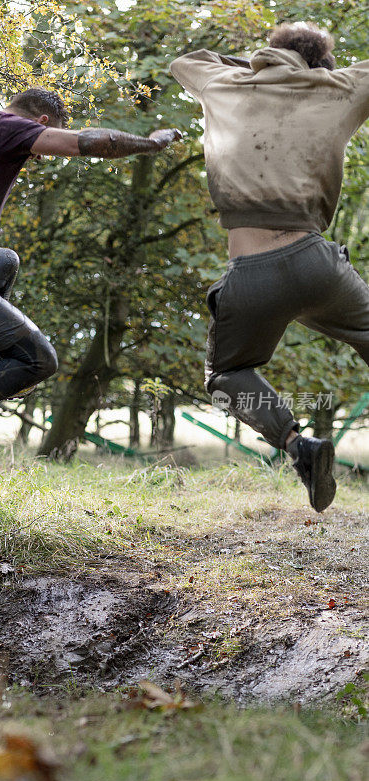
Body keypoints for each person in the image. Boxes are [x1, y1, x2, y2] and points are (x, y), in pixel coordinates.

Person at [0, 88, 181, 493]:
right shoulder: (13, 128)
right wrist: (151, 143)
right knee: (40, 360)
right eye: (42, 144)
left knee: (3, 261)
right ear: (41, 123)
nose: (39, 156)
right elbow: (92, 142)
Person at [170, 22, 369, 512]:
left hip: (252, 272)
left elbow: (183, 62)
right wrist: (314, 74)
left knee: (226, 374)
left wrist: (260, 68)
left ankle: (298, 447)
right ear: (319, 62)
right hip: (317, 264)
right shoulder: (337, 87)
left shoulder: (224, 83)